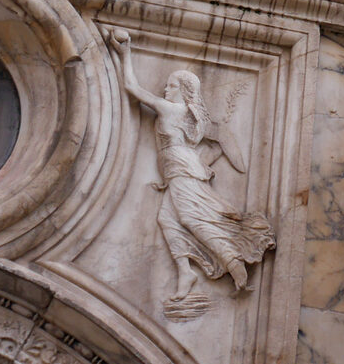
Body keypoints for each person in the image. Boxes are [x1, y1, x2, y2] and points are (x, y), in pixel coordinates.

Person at [108, 30, 274, 300]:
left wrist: (125, 54)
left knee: (189, 217)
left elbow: (132, 88)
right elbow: (199, 147)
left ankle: (234, 263)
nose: (165, 89)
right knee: (166, 218)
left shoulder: (171, 109)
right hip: (179, 168)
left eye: (171, 86)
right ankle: (185, 273)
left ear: (184, 92)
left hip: (182, 168)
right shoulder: (187, 114)